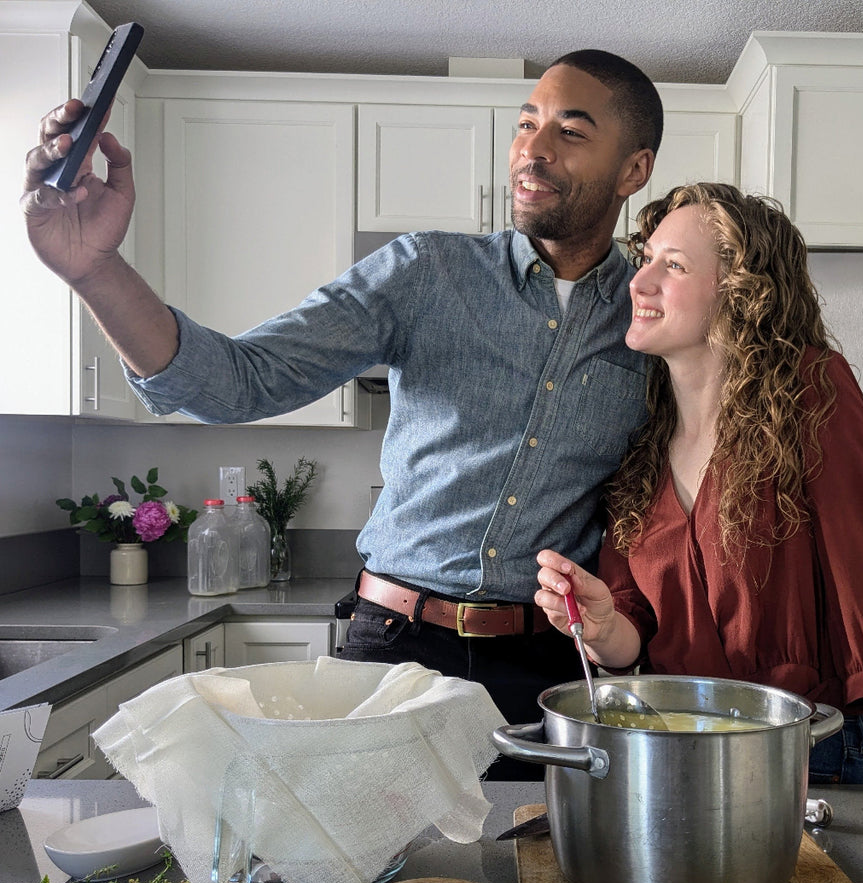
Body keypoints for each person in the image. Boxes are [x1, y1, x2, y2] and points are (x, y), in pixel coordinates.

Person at [22, 50, 663, 775]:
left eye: (570, 132)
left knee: (539, 848)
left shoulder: (652, 318)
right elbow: (238, 383)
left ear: (633, 170)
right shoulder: (426, 272)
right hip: (395, 646)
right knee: (361, 850)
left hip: (551, 664)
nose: (532, 150)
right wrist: (96, 269)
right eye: (525, 124)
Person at [535, 182, 863, 828]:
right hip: (678, 751)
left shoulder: (811, 391)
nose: (640, 281)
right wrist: (601, 623)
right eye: (646, 259)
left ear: (741, 293)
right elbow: (633, 629)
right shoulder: (641, 432)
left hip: (808, 756)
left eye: (673, 265)